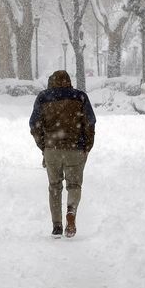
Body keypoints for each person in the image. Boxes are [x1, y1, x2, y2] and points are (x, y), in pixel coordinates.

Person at [29, 70, 95, 237]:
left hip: (52, 149)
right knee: (74, 185)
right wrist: (87, 146)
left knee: (55, 187)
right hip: (75, 148)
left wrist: (43, 146)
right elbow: (90, 123)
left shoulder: (43, 97)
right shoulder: (80, 97)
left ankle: (57, 225)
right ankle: (71, 212)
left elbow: (34, 124)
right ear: (69, 81)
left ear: (52, 82)